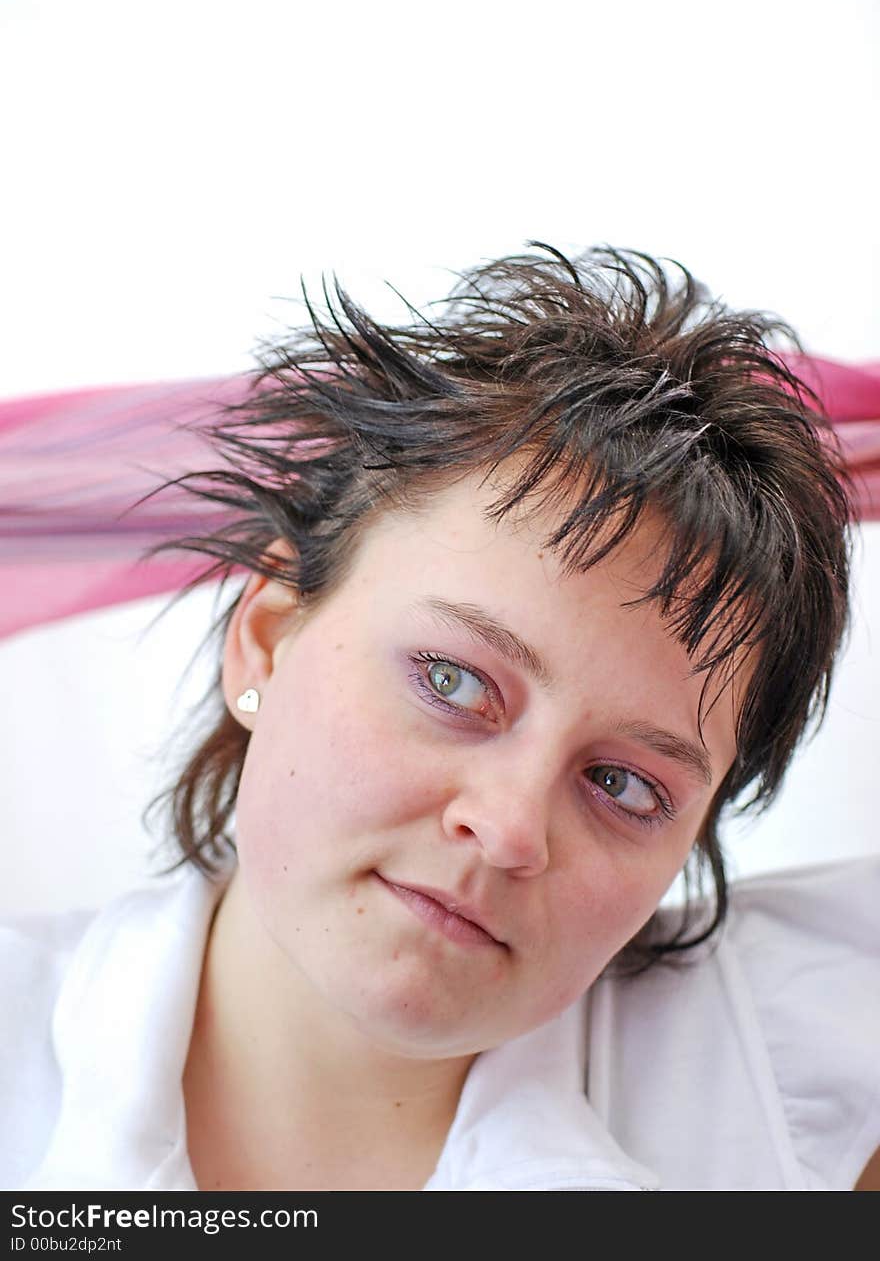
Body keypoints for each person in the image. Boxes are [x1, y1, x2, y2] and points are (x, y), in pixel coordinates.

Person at [1, 244, 877, 1192]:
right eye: (454, 682)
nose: (505, 830)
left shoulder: (797, 1098)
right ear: (267, 635)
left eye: (623, 784)